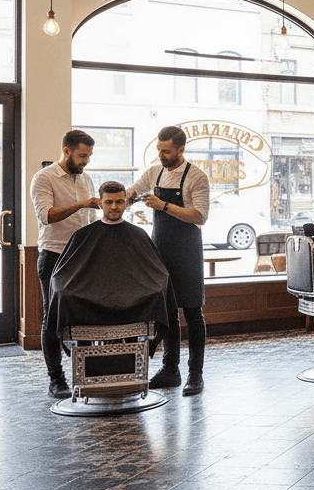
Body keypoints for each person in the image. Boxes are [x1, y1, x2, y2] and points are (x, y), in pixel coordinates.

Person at [128, 126, 210, 394]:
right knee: (168, 313)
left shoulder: (196, 177)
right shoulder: (154, 172)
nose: (161, 155)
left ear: (180, 150)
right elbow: (133, 191)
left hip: (187, 252)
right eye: (158, 150)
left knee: (193, 313)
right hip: (160, 251)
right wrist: (120, 200)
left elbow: (199, 216)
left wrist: (163, 205)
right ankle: (170, 370)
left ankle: (195, 374)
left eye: (166, 151)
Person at [44, 182, 171, 343]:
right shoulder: (83, 235)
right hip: (90, 303)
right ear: (100, 203)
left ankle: (130, 362)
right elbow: (62, 275)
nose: (114, 207)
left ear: (126, 202)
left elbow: (158, 273)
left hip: (131, 302)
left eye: (119, 202)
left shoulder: (138, 234)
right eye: (108, 202)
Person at [28, 129, 99, 399]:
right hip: (54, 256)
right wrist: (82, 204)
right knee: (53, 317)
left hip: (83, 256)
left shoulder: (88, 179)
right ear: (66, 151)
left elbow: (90, 221)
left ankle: (88, 373)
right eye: (82, 155)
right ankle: (56, 379)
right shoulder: (43, 178)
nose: (86, 161)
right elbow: (46, 216)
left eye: (89, 156)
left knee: (86, 316)